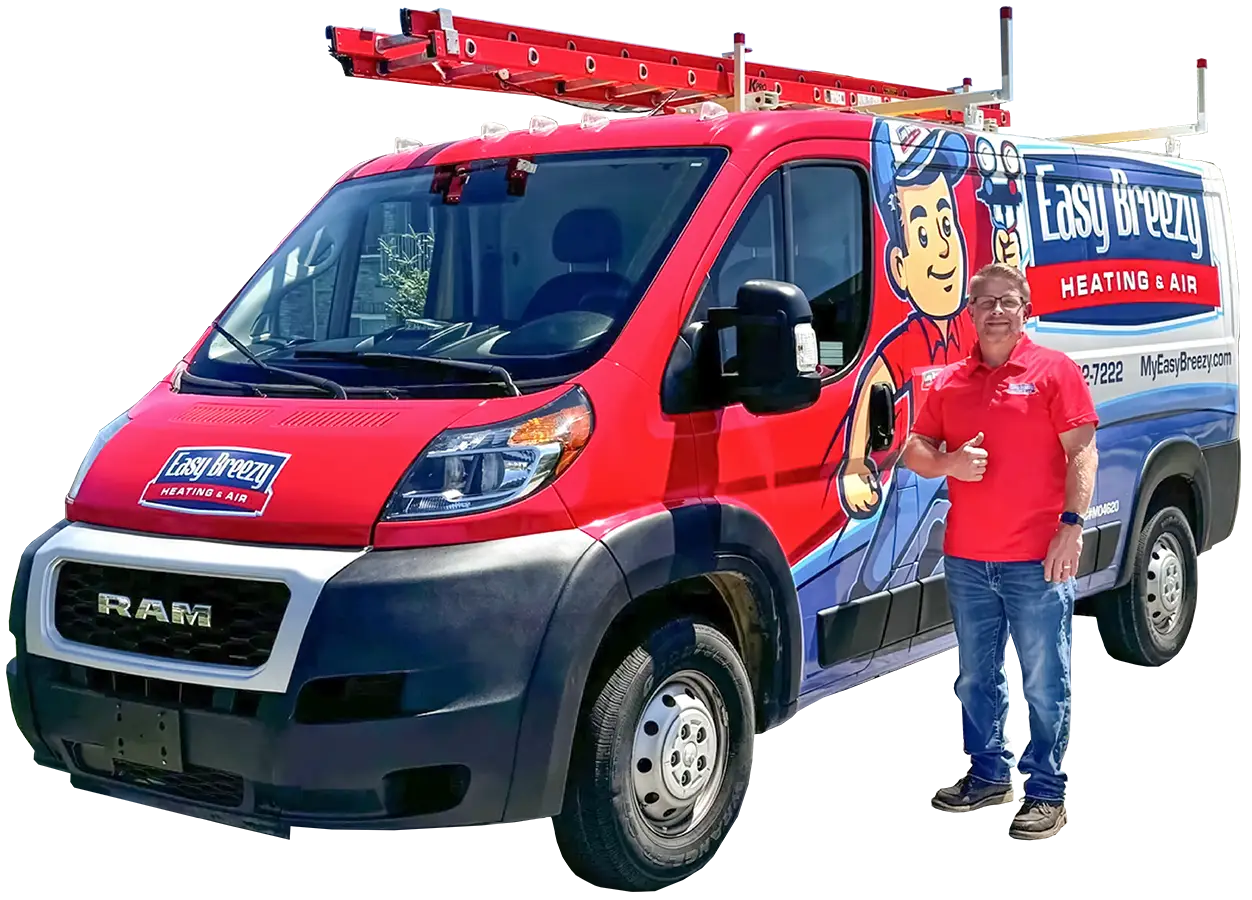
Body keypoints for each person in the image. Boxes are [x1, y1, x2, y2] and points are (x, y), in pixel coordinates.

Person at [901, 261, 1099, 841]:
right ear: (969, 313)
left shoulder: (1053, 371)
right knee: (975, 676)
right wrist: (949, 464)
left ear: (1025, 309)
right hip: (967, 559)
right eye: (982, 301)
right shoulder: (951, 384)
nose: (993, 311)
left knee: (1043, 676)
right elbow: (915, 448)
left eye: (1005, 301)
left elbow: (1083, 452)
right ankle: (987, 775)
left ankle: (1045, 789)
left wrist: (1072, 525)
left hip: (1036, 559)